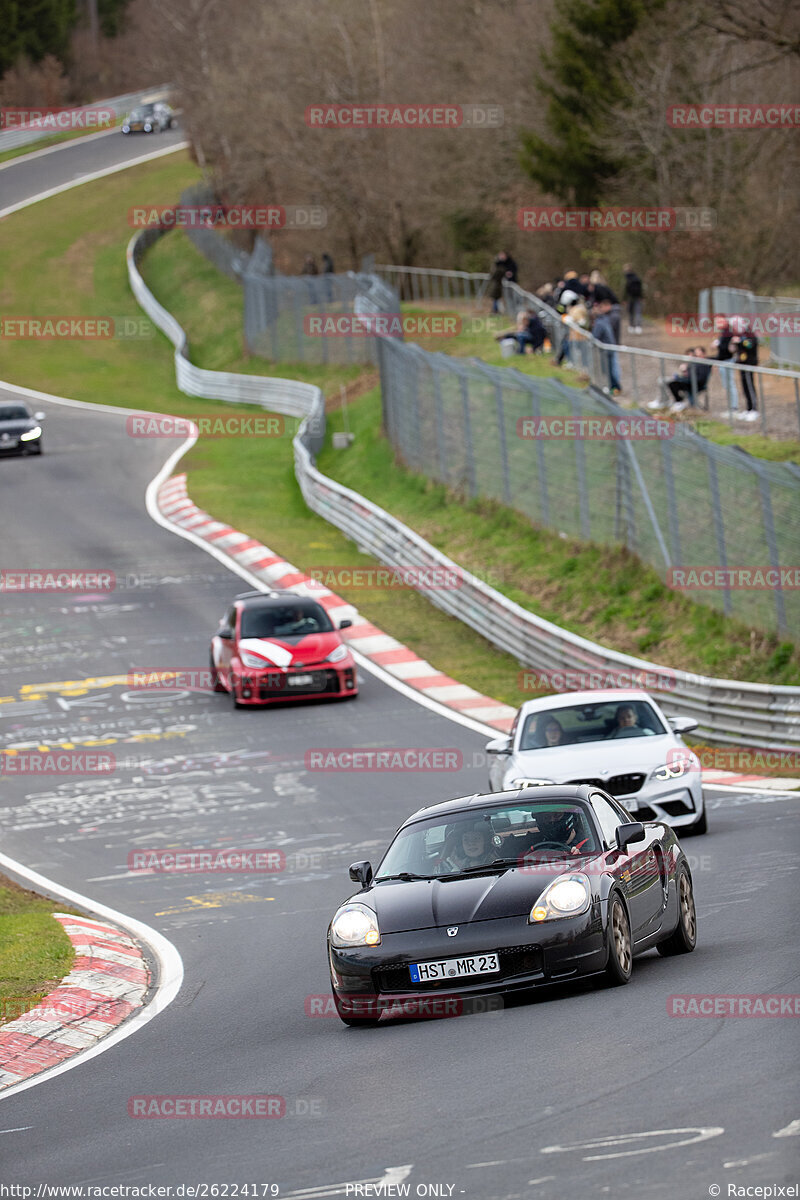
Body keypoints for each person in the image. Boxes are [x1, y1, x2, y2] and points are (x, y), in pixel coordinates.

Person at [666, 347, 712, 413]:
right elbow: (688, 376)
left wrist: (683, 379)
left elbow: (700, 379)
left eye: (698, 352)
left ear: (703, 353)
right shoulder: (693, 363)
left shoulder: (703, 363)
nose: (696, 354)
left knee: (674, 384)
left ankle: (680, 402)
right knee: (672, 383)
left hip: (696, 384)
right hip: (690, 382)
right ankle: (679, 402)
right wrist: (684, 372)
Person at [591, 298, 622, 395]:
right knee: (611, 369)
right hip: (611, 346)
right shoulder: (606, 318)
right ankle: (614, 387)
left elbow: (595, 336)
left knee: (611, 370)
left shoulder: (601, 321)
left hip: (608, 348)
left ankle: (615, 387)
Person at [731, 322, 759, 420]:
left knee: (750, 386)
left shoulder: (749, 334)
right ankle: (749, 408)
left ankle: (754, 410)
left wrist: (740, 341)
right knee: (744, 387)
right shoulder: (740, 335)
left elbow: (750, 345)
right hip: (742, 364)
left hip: (749, 364)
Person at [712, 319, 738, 414]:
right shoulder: (723, 333)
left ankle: (734, 407)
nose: (718, 324)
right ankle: (732, 407)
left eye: (720, 321)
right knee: (727, 385)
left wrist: (718, 345)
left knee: (730, 385)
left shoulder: (729, 333)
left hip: (727, 362)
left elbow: (728, 350)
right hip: (722, 362)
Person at [623, 264, 643, 333]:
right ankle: (638, 326)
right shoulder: (637, 278)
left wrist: (624, 299)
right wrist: (641, 297)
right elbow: (640, 289)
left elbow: (626, 290)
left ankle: (631, 326)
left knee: (631, 312)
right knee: (637, 312)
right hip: (637, 297)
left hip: (630, 297)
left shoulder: (627, 278)